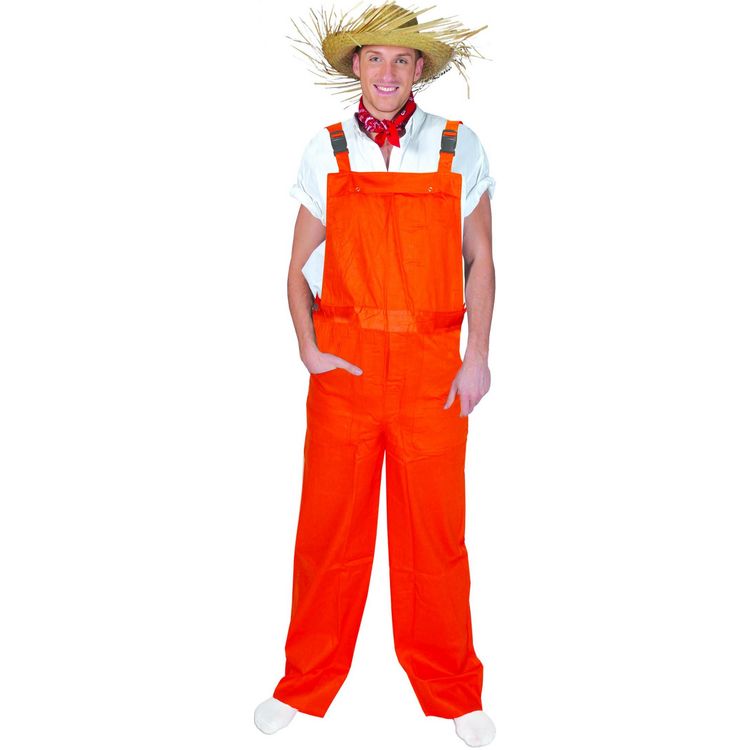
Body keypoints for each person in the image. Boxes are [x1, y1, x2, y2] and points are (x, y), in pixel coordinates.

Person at [255, 2, 496, 746]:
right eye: (374, 59)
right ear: (356, 67)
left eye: (401, 59)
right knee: (327, 533)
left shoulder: (457, 144)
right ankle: (304, 684)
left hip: (432, 372)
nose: (386, 73)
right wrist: (308, 347)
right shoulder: (326, 149)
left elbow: (481, 260)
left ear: (418, 68)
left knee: (436, 539)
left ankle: (452, 690)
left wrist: (478, 355)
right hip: (346, 369)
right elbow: (297, 268)